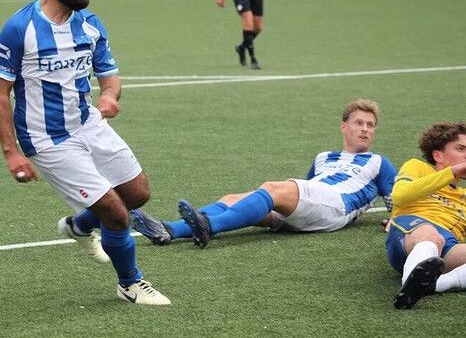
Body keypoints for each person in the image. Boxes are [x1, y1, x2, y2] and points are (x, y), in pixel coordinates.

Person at [0, 0, 170, 306]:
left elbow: (110, 77)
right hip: (47, 138)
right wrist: (11, 152)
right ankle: (130, 284)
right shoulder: (19, 28)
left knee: (137, 194)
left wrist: (110, 97)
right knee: (117, 214)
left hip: (90, 123)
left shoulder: (90, 25)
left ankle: (80, 225)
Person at [130, 99, 395, 248]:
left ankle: (209, 227)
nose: (365, 129)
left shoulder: (377, 162)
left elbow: (398, 197)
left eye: (371, 125)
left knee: (271, 188)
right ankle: (169, 230)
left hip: (337, 206)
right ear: (343, 127)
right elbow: (305, 189)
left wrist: (396, 220)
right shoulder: (323, 157)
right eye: (359, 123)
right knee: (234, 198)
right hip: (313, 204)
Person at [386, 122, 466, 310]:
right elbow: (399, 195)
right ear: (437, 155)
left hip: (447, 247)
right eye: (461, 148)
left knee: (439, 240)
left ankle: (436, 284)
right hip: (412, 230)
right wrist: (451, 172)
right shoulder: (418, 167)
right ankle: (408, 284)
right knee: (432, 237)